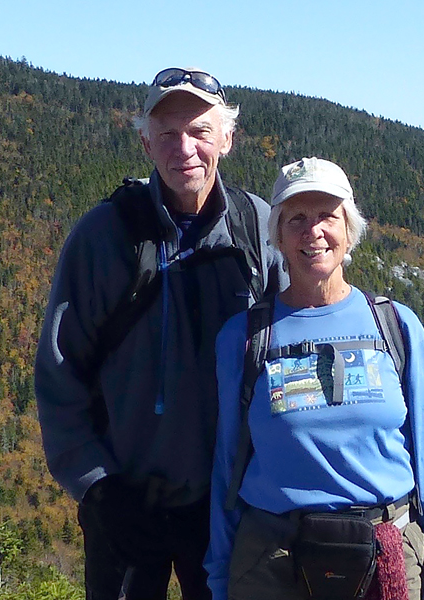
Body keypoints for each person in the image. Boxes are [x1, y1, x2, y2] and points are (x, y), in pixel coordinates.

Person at [35, 68, 285, 600]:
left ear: (228, 139)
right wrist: (97, 488)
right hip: (125, 503)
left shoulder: (259, 232)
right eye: (167, 134)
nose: (185, 148)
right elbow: (60, 372)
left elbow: (294, 352)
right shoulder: (105, 236)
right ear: (145, 140)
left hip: (228, 507)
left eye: (199, 131)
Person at [206, 157, 424, 600]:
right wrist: (218, 577)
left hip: (386, 552)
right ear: (278, 236)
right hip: (272, 561)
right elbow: (227, 467)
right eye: (296, 219)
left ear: (349, 230)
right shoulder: (244, 337)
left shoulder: (396, 327)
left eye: (328, 215)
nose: (314, 231)